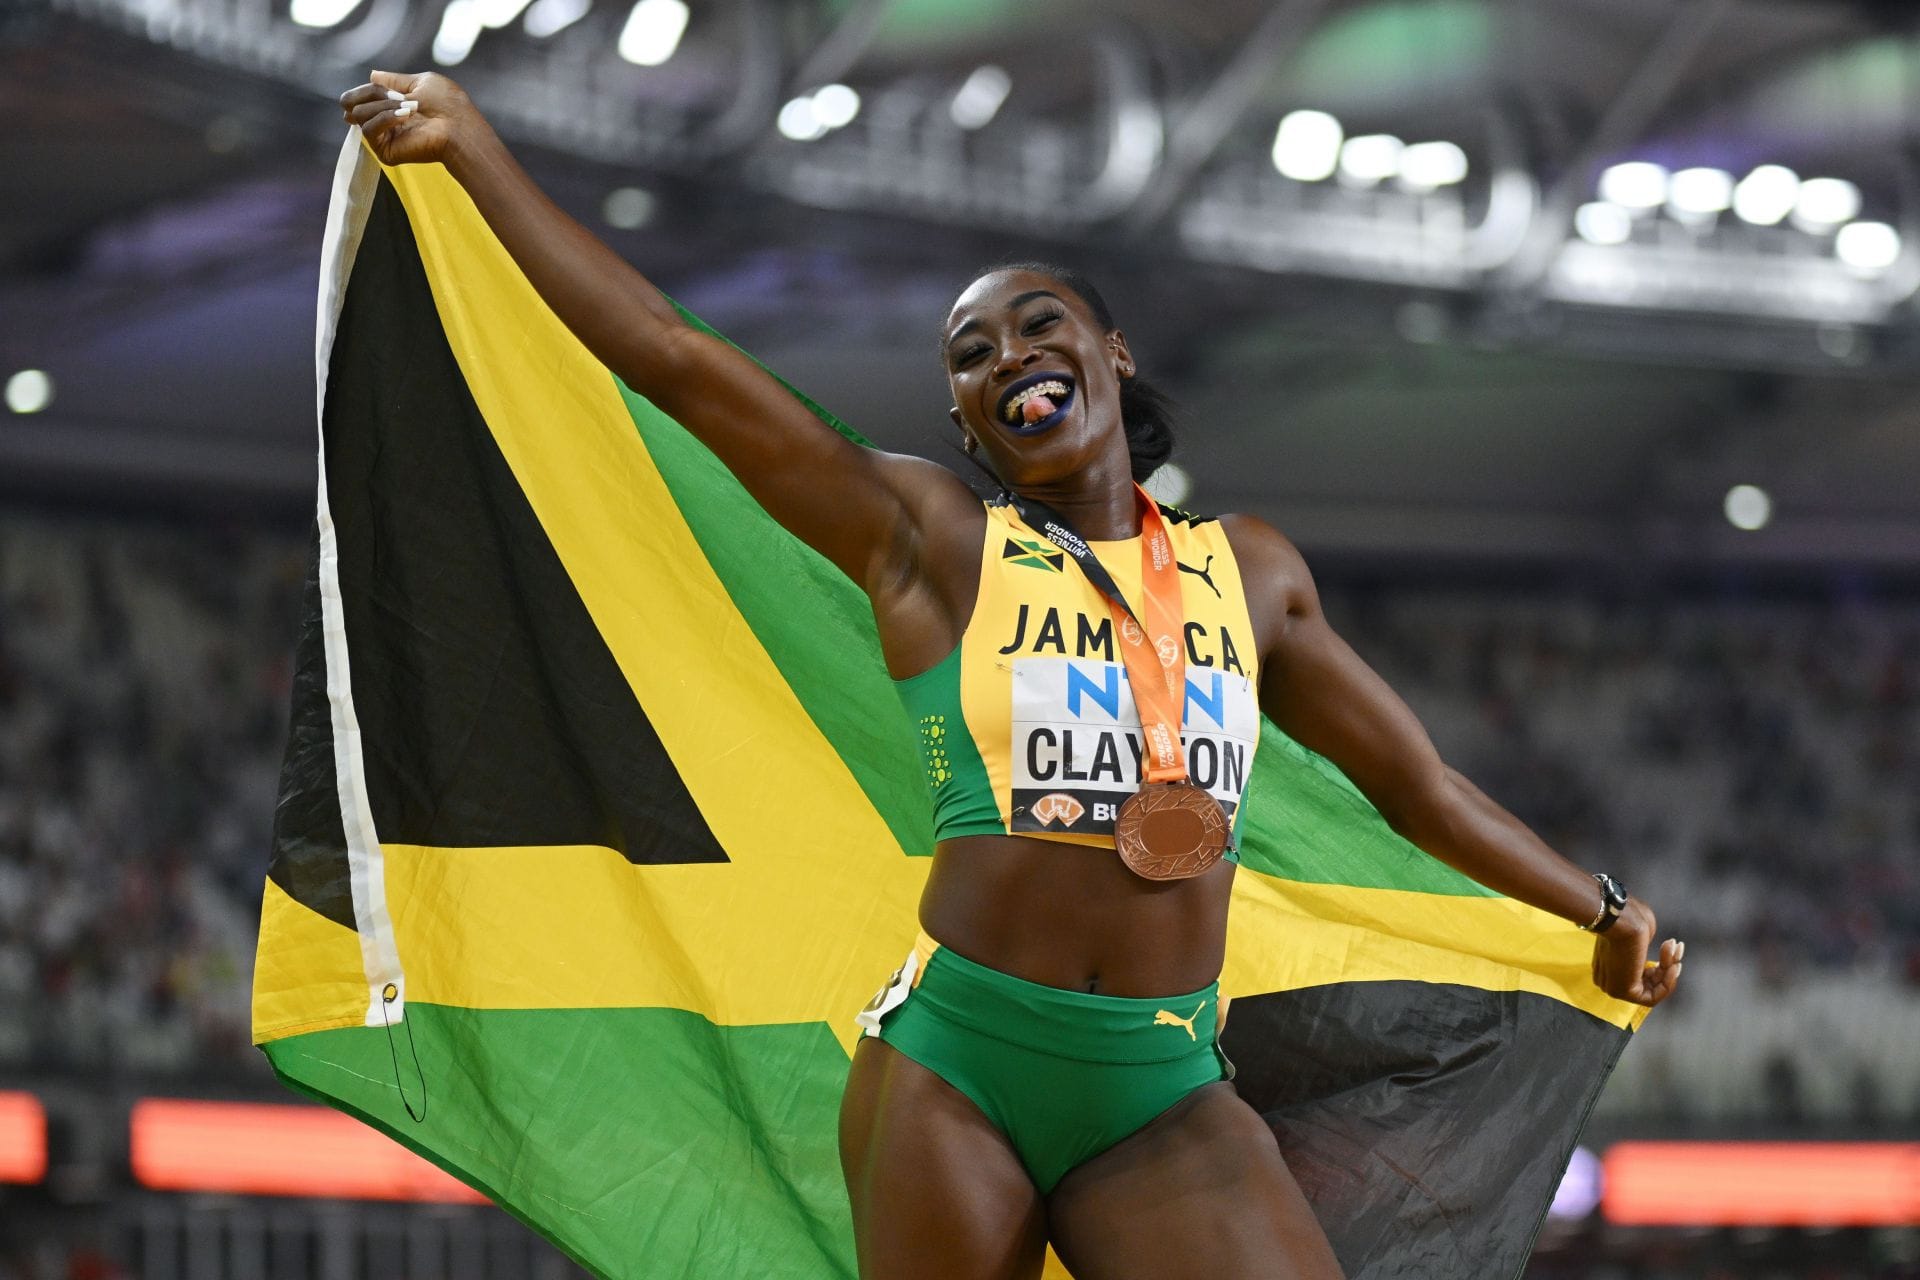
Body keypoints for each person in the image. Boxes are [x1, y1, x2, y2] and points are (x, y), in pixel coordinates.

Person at [338, 71, 1684, 1280]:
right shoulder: (931, 538)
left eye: (1039, 328)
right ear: (965, 417)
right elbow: (676, 360)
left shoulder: (1249, 572)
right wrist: (478, 155)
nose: (1008, 360)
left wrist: (1599, 905)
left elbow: (1420, 785)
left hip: (1158, 1079)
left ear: (1113, 357)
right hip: (957, 1070)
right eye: (971, 357)